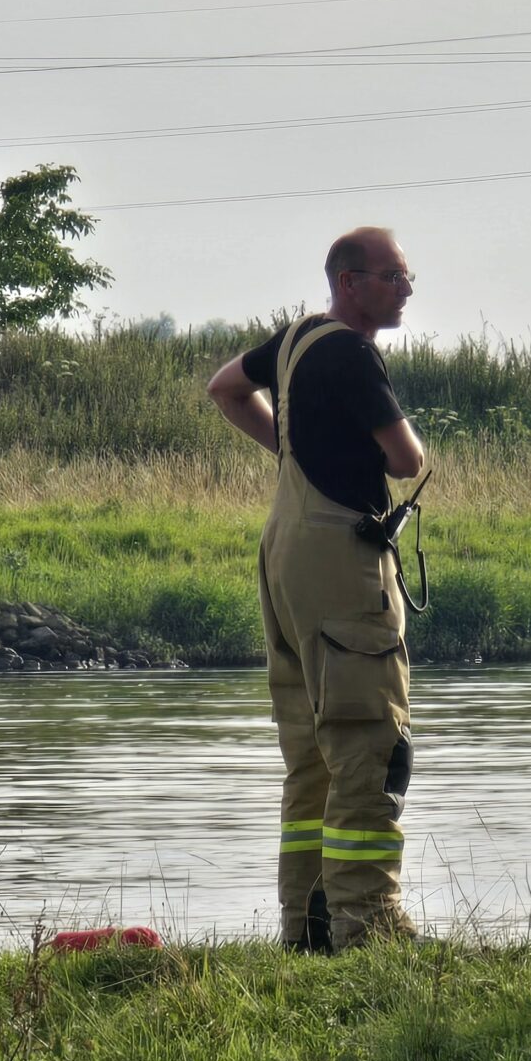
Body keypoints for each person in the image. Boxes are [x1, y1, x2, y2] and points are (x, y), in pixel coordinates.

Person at [206, 228, 428, 952]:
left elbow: (225, 389)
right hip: (341, 562)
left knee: (309, 757)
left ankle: (306, 928)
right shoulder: (354, 352)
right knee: (367, 741)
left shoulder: (296, 340)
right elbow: (406, 459)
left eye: (407, 277)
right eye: (394, 277)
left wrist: (289, 448)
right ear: (349, 282)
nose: (406, 288)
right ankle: (368, 928)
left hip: (284, 553)